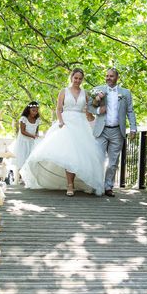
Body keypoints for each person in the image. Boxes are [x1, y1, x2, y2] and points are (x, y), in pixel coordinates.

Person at [20, 68, 105, 196]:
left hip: (81, 124)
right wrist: (60, 121)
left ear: (82, 80)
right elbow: (58, 109)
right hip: (66, 123)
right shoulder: (63, 91)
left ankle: (81, 182)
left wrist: (98, 99)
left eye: (80, 78)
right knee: (69, 153)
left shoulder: (85, 93)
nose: (77, 80)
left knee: (80, 155)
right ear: (71, 78)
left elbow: (89, 108)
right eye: (75, 78)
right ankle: (70, 184)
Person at [87, 68, 137, 197]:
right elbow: (89, 107)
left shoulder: (125, 93)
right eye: (107, 76)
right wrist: (98, 110)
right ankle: (96, 185)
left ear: (117, 78)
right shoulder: (98, 90)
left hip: (117, 130)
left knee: (113, 162)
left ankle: (108, 186)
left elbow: (130, 111)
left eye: (111, 76)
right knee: (98, 158)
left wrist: (133, 128)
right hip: (101, 130)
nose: (108, 78)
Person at [12, 101, 42, 182]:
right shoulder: (23, 119)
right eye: (33, 110)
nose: (35, 112)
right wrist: (33, 136)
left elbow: (36, 131)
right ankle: (21, 178)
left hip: (32, 142)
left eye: (36, 111)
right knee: (23, 159)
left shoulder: (37, 119)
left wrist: (36, 136)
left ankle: (30, 177)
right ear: (29, 109)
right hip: (23, 142)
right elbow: (23, 131)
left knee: (31, 159)